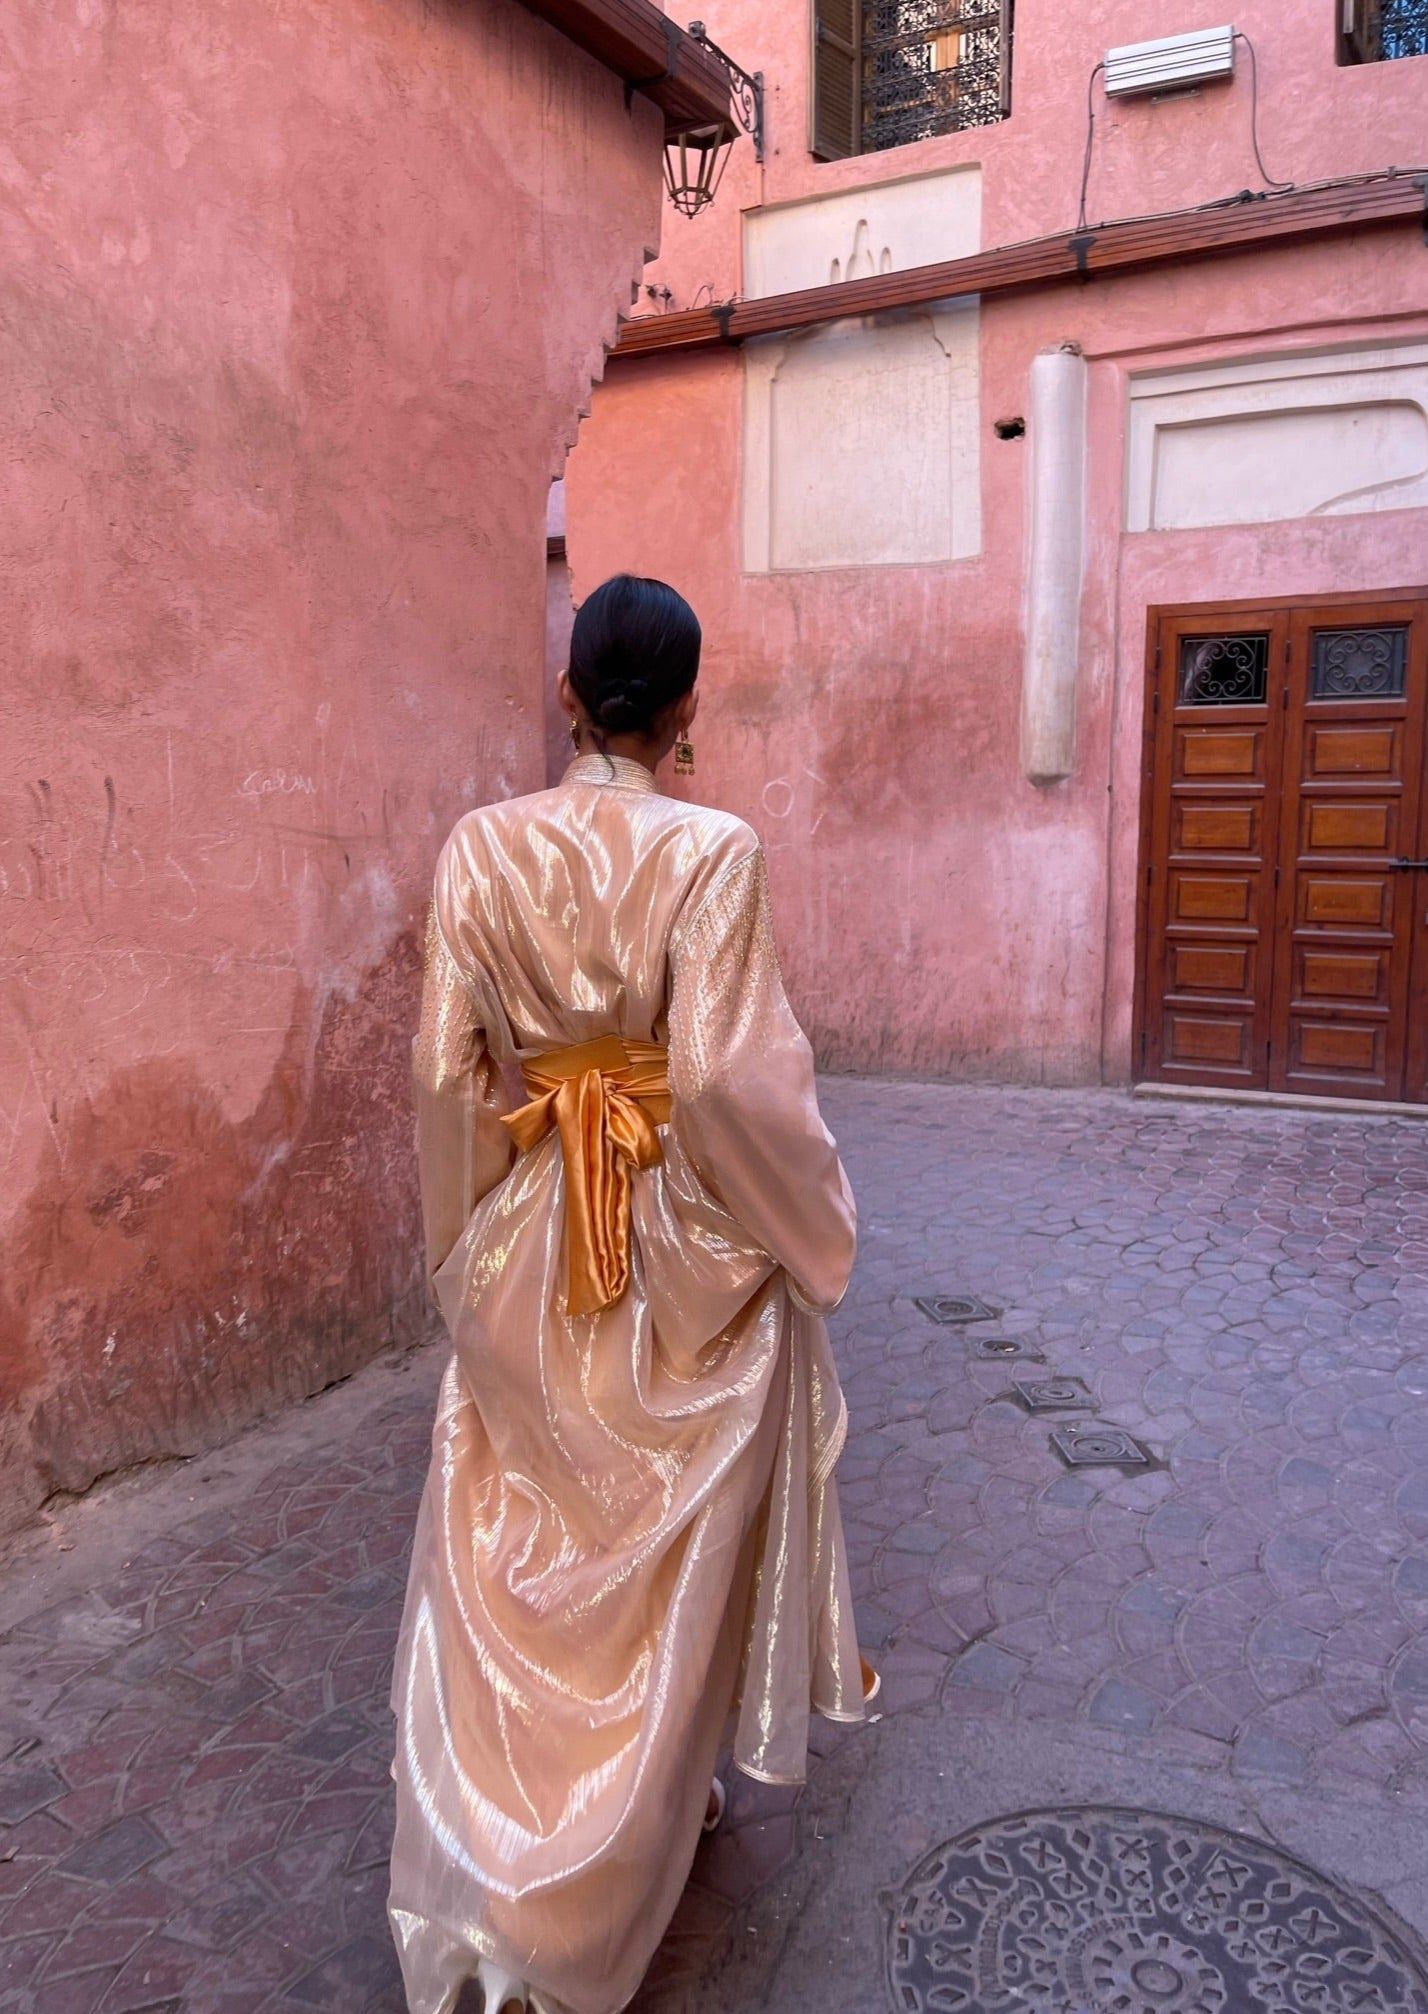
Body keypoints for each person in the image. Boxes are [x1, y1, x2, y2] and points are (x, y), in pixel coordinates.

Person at [388, 574, 869, 2014]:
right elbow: (725, 1075)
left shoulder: (481, 845)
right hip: (673, 1227)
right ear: (684, 712)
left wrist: (463, 1241)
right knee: (660, 1551)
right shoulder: (714, 850)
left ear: (567, 695)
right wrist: (811, 1224)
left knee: (509, 1553)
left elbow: (439, 1070)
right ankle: (607, 1867)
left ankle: (491, 1886)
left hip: (535, 1220)